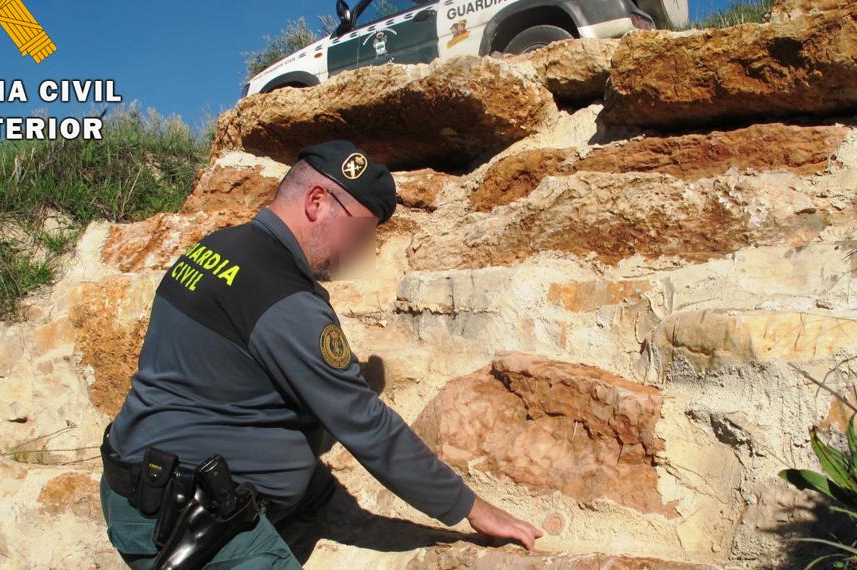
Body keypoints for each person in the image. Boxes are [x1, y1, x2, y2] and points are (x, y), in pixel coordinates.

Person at [98, 140, 543, 568]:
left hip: (139, 481)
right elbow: (365, 423)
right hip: (184, 518)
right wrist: (470, 507)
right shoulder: (283, 299)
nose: (359, 250)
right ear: (317, 202)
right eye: (360, 232)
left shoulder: (216, 248)